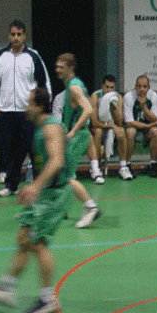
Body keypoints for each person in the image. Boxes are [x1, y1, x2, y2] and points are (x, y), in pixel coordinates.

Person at [0, 87, 71, 313]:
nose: (26, 107)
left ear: (39, 106)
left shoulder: (50, 127)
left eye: (29, 103)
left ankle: (48, 300)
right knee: (24, 238)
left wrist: (35, 186)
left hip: (54, 194)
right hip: (45, 192)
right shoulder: (39, 127)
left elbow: (57, 160)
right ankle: (6, 288)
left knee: (38, 244)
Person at [0, 19, 51, 198]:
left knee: (34, 149)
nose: (16, 38)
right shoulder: (0, 56)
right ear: (9, 35)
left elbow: (44, 83)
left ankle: (40, 185)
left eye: (19, 34)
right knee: (10, 152)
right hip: (7, 112)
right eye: (13, 34)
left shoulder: (33, 57)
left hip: (28, 113)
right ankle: (11, 185)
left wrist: (44, 110)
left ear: (24, 36)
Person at [55, 53, 102, 229]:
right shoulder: (71, 86)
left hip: (78, 136)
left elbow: (88, 110)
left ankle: (91, 207)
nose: (57, 69)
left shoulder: (74, 88)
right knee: (63, 173)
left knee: (66, 176)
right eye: (57, 66)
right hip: (76, 135)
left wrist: (73, 130)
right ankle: (63, 208)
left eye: (61, 67)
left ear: (70, 68)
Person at [122, 75, 157, 178]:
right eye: (139, 86)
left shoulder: (153, 96)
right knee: (130, 132)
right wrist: (148, 125)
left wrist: (143, 107)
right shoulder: (128, 97)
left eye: (144, 86)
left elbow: (156, 119)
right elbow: (129, 122)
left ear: (149, 87)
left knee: (156, 131)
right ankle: (127, 165)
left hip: (147, 130)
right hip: (135, 128)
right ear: (135, 86)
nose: (141, 89)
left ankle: (153, 164)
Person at [90, 75, 128, 180]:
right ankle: (96, 168)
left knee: (121, 132)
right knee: (97, 132)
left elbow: (120, 121)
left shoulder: (118, 97)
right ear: (102, 86)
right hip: (100, 126)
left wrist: (112, 105)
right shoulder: (95, 96)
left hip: (112, 126)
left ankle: (123, 167)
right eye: (107, 87)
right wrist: (111, 126)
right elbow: (94, 122)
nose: (109, 90)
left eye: (112, 88)